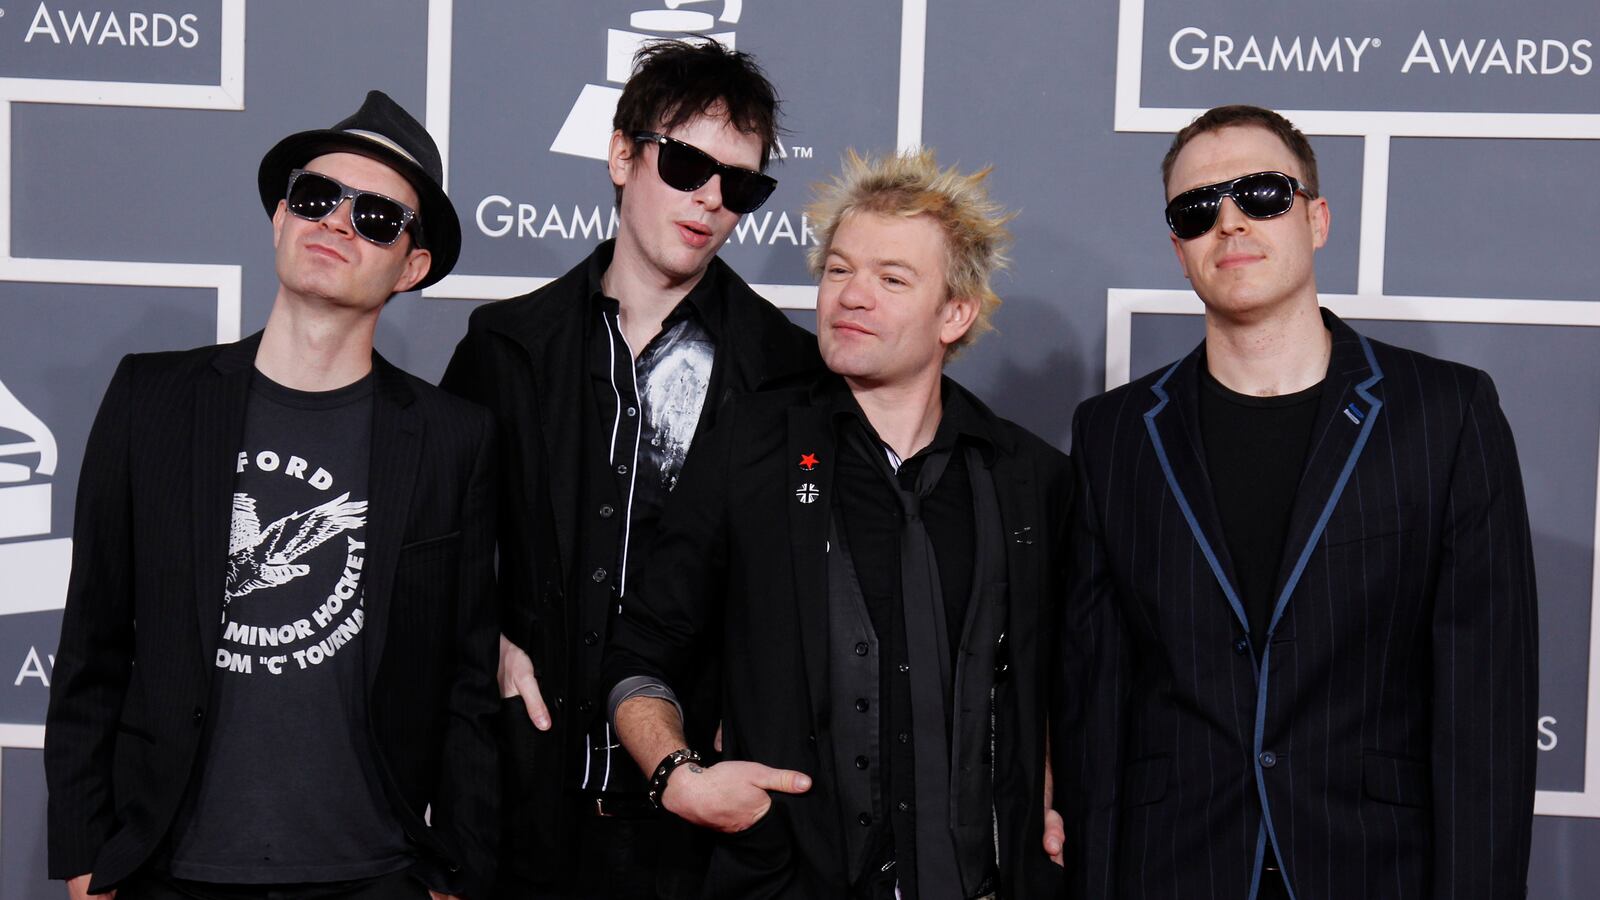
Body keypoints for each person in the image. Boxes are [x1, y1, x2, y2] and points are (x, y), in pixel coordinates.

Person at [1059, 104, 1538, 900]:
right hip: (1176, 867)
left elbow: (1484, 709)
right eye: (1198, 210)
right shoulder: (1114, 435)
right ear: (1179, 249)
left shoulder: (1445, 414)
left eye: (1263, 195)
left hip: (1377, 867)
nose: (1231, 222)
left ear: (1316, 218)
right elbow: (1097, 701)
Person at [45, 91, 498, 900]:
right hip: (167, 868)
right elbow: (92, 644)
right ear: (281, 216)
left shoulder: (450, 439)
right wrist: (86, 853)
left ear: (413, 266)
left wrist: (454, 869)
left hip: (374, 873)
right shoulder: (152, 398)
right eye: (318, 198)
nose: (336, 223)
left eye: (378, 218)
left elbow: (467, 681)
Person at [604, 148, 1071, 899]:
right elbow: (640, 651)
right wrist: (677, 776)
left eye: (891, 279)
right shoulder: (749, 448)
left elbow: (1061, 681)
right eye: (839, 270)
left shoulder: (1028, 479)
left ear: (956, 313)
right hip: (784, 881)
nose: (851, 296)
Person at [441, 40, 819, 899]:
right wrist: (484, 637)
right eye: (687, 164)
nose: (711, 201)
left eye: (743, 186)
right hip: (523, 812)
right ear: (623, 153)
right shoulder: (506, 349)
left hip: (708, 827)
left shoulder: (790, 374)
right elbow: (431, 550)